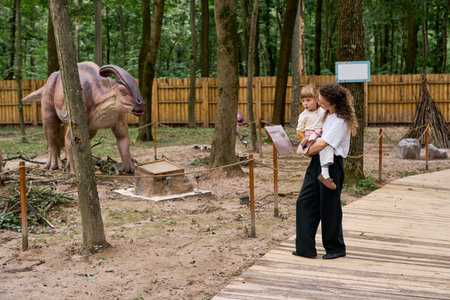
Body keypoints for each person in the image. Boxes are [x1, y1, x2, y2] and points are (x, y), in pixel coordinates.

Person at [292, 82, 358, 260]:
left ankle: (335, 248)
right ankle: (305, 247)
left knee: (329, 207)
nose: (319, 103)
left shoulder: (340, 121)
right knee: (304, 202)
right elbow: (316, 134)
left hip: (331, 165)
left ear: (333, 102)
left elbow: (323, 143)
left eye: (322, 101)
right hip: (316, 162)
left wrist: (306, 151)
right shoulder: (327, 115)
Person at [296, 85, 336, 190]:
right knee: (325, 145)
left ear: (317, 100)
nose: (305, 103)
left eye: (308, 100)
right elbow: (299, 129)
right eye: (303, 100)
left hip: (321, 134)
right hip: (310, 138)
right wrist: (301, 137)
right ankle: (325, 174)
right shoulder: (303, 115)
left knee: (327, 145)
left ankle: (325, 171)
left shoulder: (322, 111)